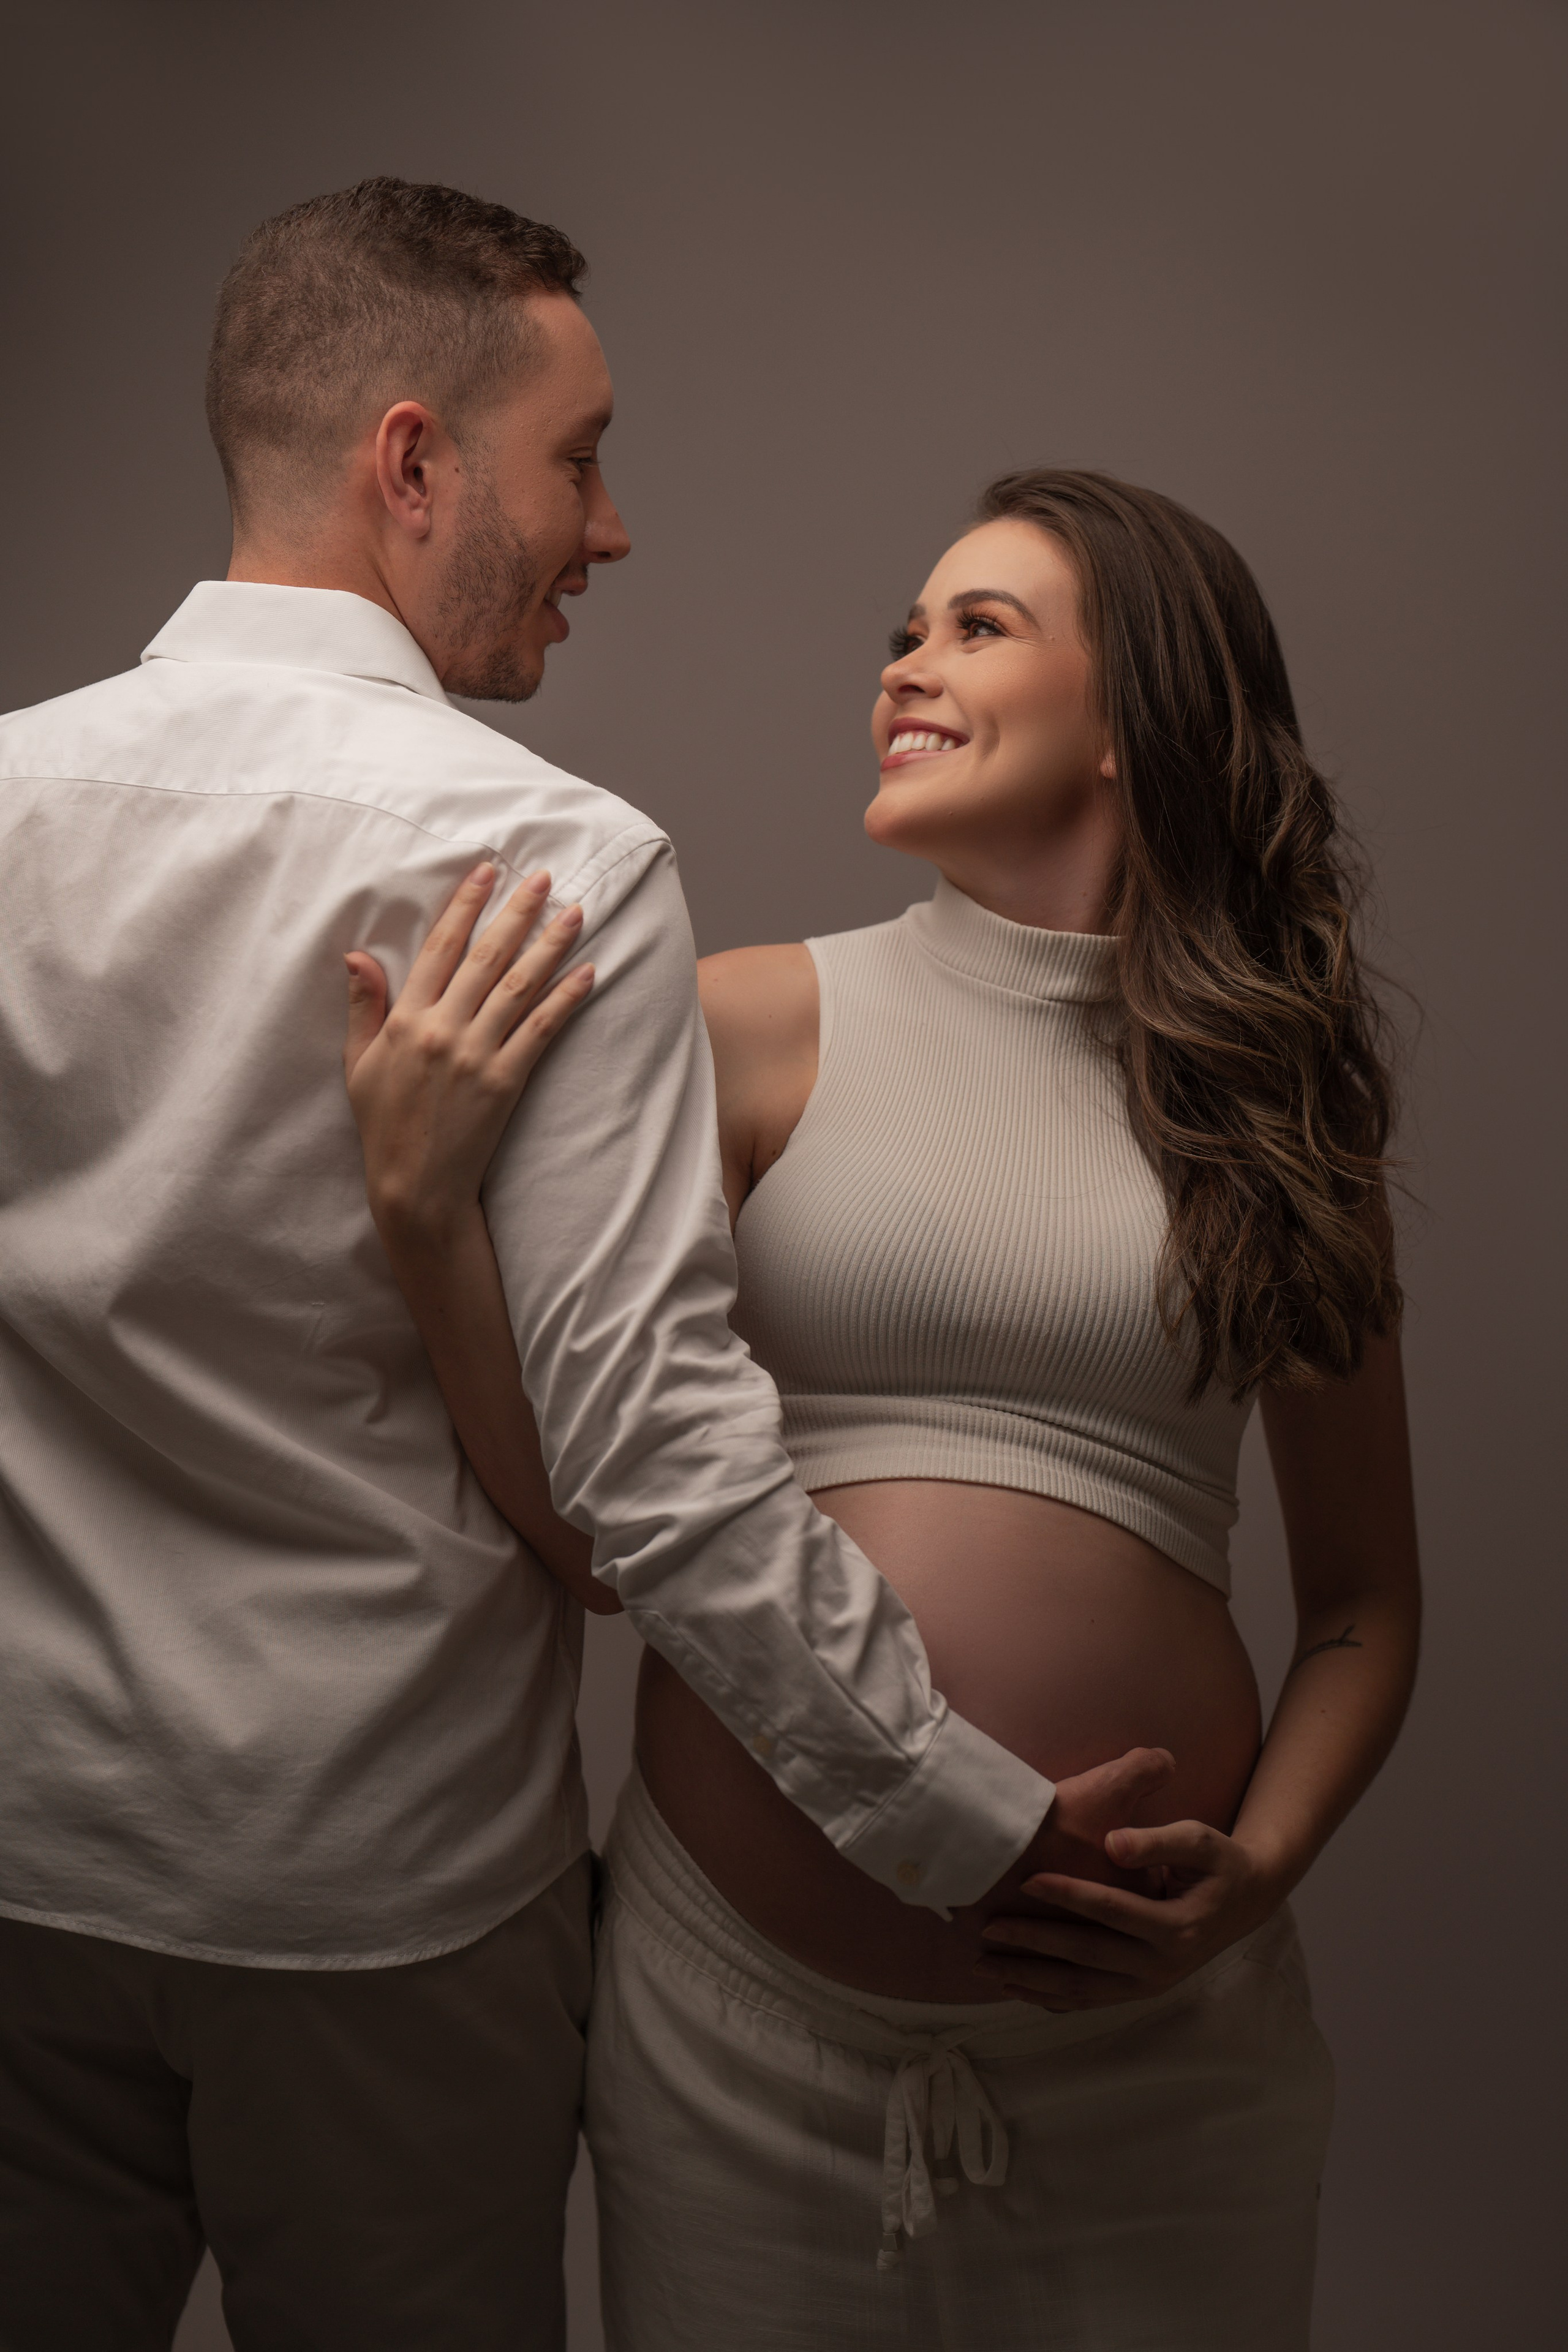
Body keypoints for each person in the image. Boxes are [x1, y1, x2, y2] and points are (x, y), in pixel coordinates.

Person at [0, 180, 1112, 2351]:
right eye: (579, 460)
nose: (611, 530)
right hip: (378, 1903)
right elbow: (657, 1466)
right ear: (412, 464)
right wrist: (968, 1823)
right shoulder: (547, 868)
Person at [345, 470, 1422, 2349]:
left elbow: (1363, 1606)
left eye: (978, 628)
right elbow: (600, 1542)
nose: (906, 668)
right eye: (904, 633)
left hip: (1165, 2050)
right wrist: (427, 1213)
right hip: (742, 2033)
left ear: (1135, 714)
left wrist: (1254, 1879)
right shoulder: (741, 1024)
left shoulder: (1274, 1105)